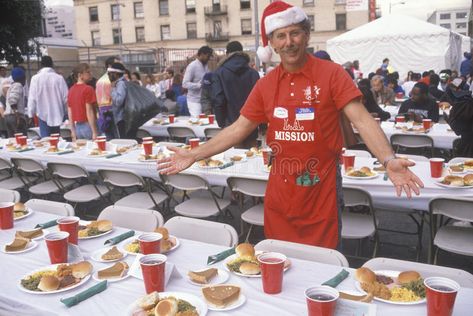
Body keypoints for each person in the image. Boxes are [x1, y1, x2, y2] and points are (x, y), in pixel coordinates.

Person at [157, 1, 423, 249]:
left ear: (306, 35)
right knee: (280, 260)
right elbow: (239, 128)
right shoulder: (265, 84)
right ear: (271, 43)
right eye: (280, 36)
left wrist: (388, 160)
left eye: (294, 33)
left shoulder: (332, 74)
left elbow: (362, 120)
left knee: (323, 262)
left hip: (322, 189)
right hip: (280, 192)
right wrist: (194, 153)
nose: (289, 42)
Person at [212, 40, 260, 148]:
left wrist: (221, 124)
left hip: (230, 125)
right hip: (251, 124)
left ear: (227, 54)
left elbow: (218, 100)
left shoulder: (219, 73)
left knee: (233, 159)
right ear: (242, 53)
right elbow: (261, 101)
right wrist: (262, 125)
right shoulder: (253, 73)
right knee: (252, 158)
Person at [27, 56, 68, 137]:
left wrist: (30, 114)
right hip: (57, 114)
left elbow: (32, 98)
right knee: (57, 141)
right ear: (52, 64)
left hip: (42, 115)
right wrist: (67, 112)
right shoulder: (59, 78)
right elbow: (66, 98)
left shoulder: (35, 79)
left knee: (45, 142)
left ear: (41, 65)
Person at [67, 63, 98, 140]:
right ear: (80, 75)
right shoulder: (88, 89)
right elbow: (89, 111)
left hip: (78, 127)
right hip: (88, 125)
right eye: (88, 72)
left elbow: (70, 112)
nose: (90, 74)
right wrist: (94, 132)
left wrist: (73, 130)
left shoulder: (71, 90)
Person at [183, 45, 213, 117]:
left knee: (205, 122)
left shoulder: (206, 66)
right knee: (197, 123)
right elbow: (184, 84)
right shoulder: (192, 66)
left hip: (205, 101)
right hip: (194, 101)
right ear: (202, 54)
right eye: (208, 56)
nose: (209, 58)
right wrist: (199, 85)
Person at [2, 67, 28, 137]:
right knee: (22, 139)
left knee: (13, 140)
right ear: (22, 78)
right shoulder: (18, 85)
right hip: (15, 117)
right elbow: (12, 100)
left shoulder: (11, 86)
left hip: (8, 117)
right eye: (24, 78)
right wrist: (17, 115)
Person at [108, 62, 127, 138]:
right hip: (120, 118)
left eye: (110, 73)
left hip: (121, 119)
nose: (108, 75)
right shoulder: (118, 83)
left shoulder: (120, 84)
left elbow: (119, 101)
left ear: (116, 73)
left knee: (122, 141)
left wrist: (112, 89)